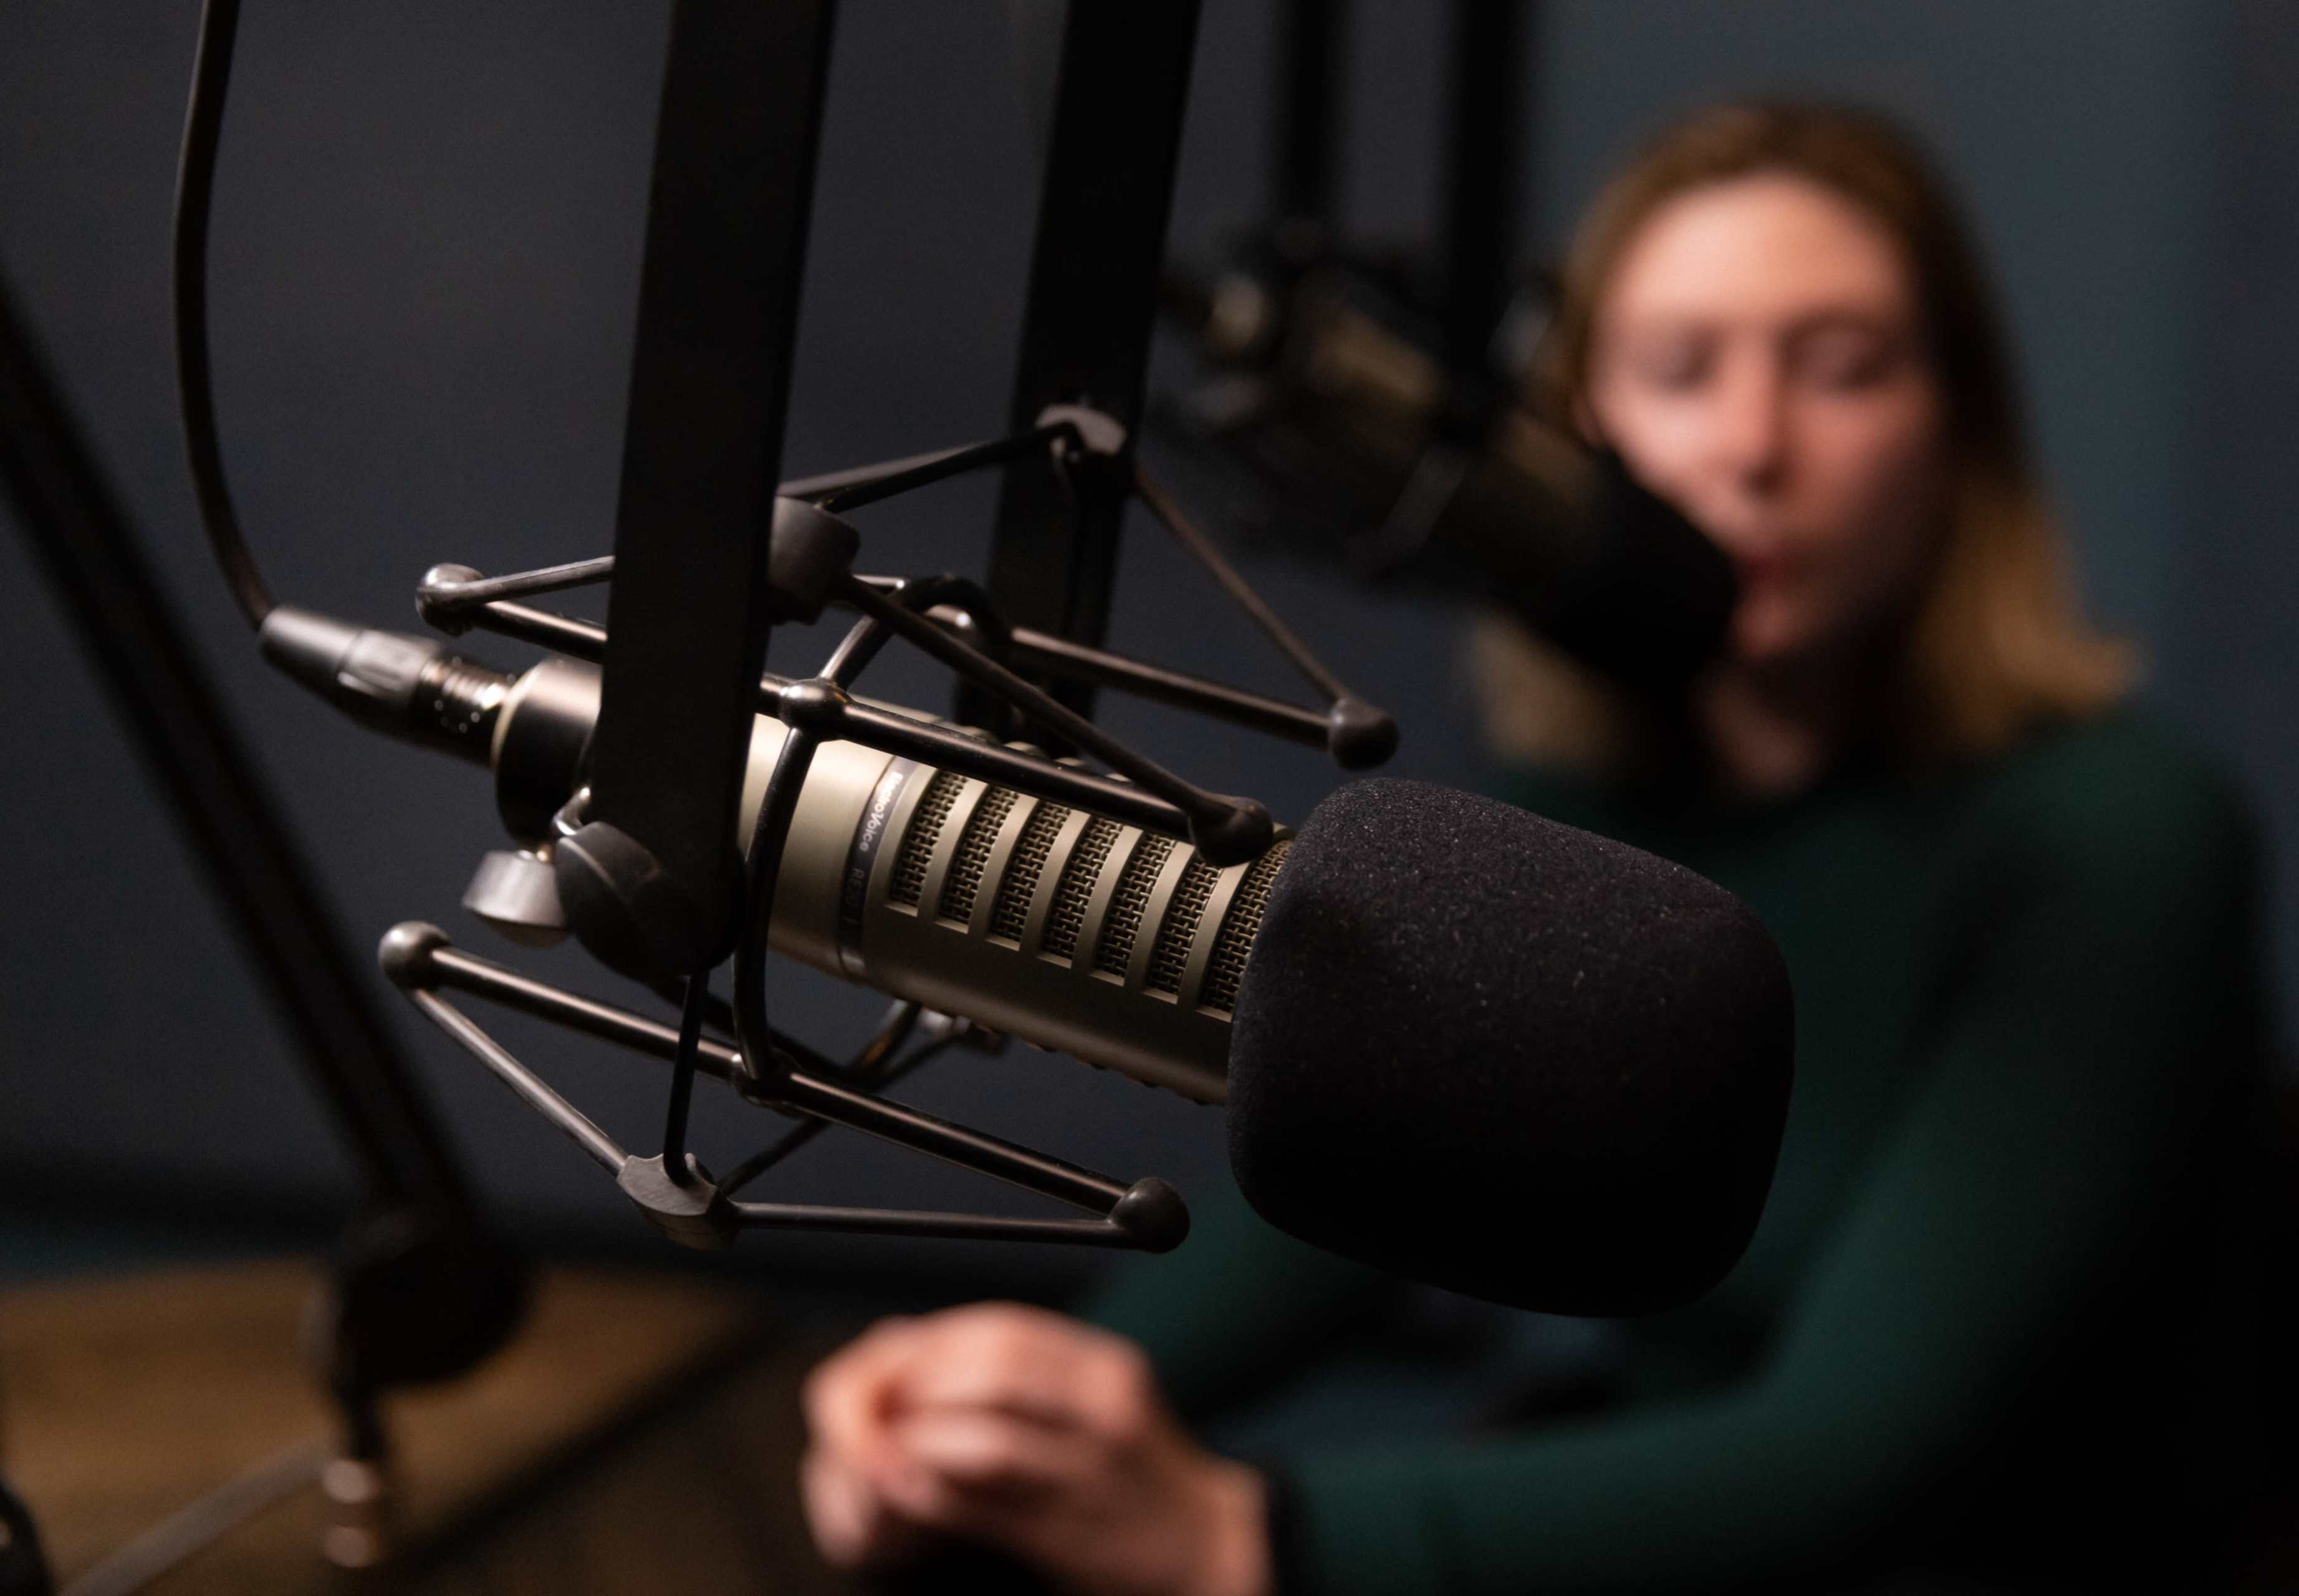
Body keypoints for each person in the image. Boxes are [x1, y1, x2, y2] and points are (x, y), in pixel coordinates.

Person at [797, 102, 2270, 1594]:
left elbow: (1865, 1453)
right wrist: (1006, 1409)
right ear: (1582, 441)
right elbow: (1326, 1217)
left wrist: (1246, 1540)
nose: (1753, 446)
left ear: (1958, 429)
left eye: (1841, 368)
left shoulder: (2120, 840)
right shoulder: (1574, 816)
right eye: (1680, 371)